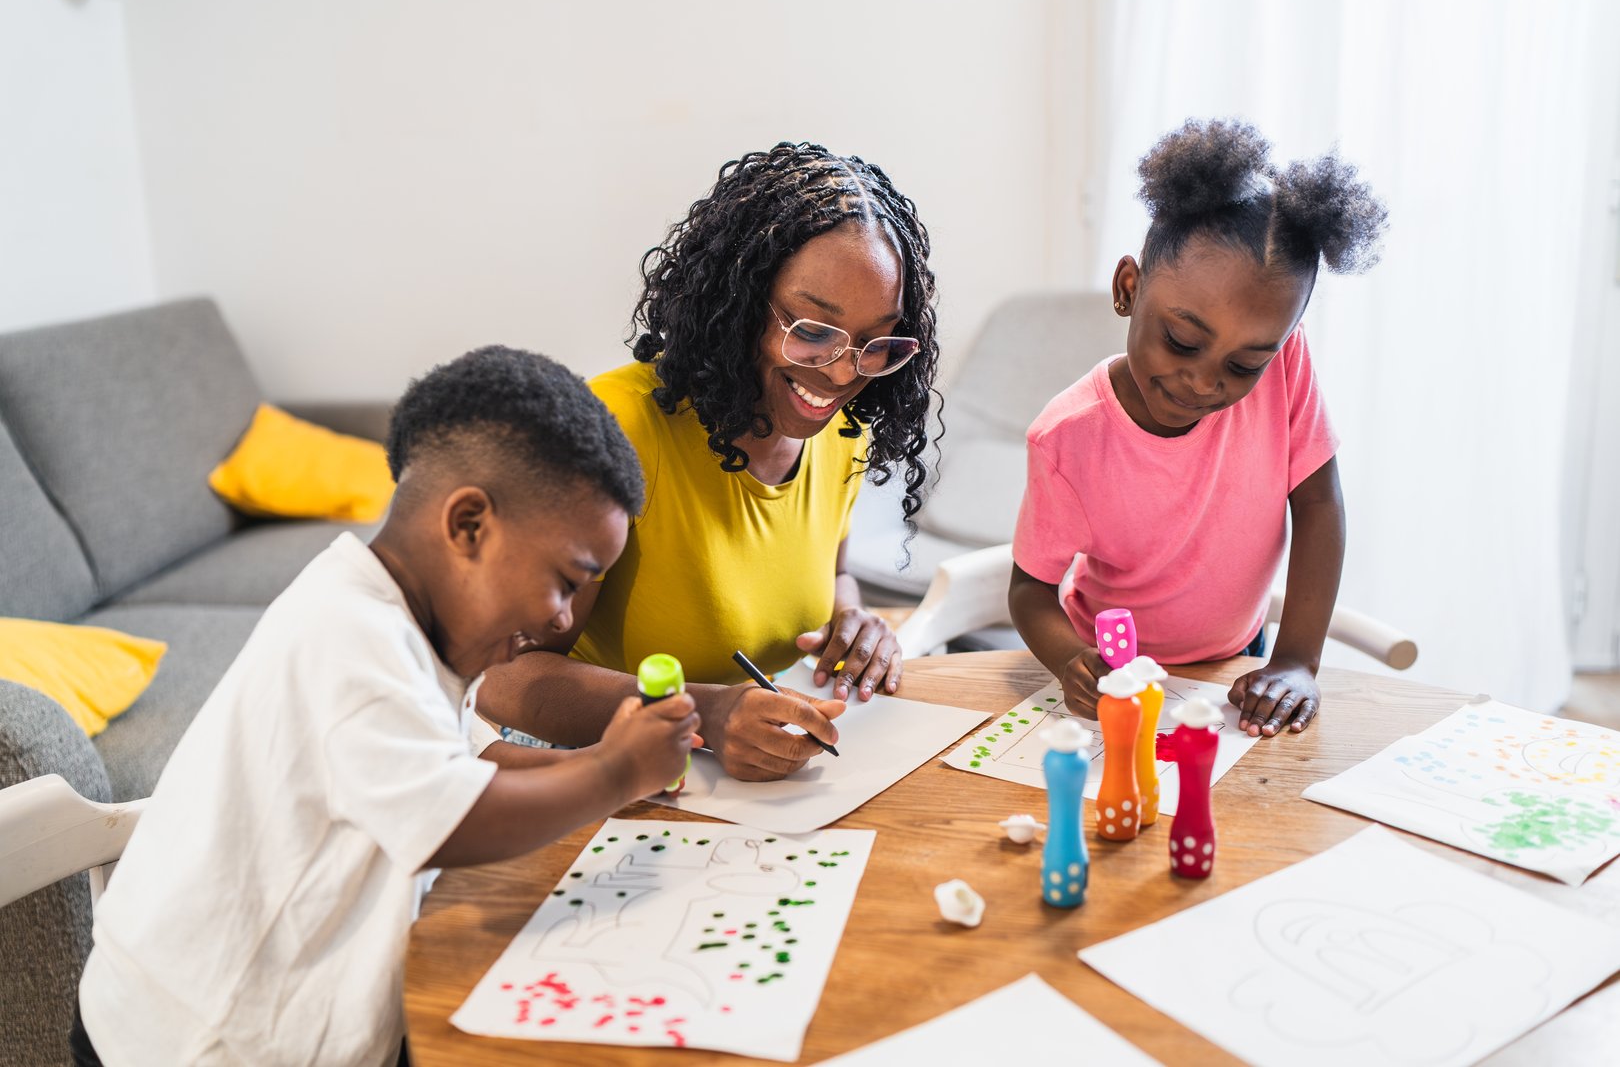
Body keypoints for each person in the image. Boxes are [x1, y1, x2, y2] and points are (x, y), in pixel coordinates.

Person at [74, 347, 699, 1066]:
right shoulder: (349, 637)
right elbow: (453, 821)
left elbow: (472, 759)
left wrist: (600, 763)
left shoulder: (407, 622)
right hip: (199, 1039)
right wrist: (616, 773)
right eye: (567, 580)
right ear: (468, 525)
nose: (564, 621)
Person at [477, 142, 941, 781]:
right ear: (741, 304)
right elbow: (505, 679)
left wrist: (854, 622)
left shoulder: (841, 432)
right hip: (591, 773)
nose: (841, 373)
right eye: (811, 330)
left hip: (747, 781)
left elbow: (831, 576)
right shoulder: (620, 429)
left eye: (875, 343)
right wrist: (705, 714)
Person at [1008, 118, 1388, 738]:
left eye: (1243, 365)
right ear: (1129, 289)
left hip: (1239, 660)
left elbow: (1319, 505)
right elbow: (1029, 591)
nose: (1205, 383)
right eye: (1182, 341)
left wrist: (1295, 659)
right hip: (1119, 672)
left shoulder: (1285, 366)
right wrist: (1071, 660)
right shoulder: (1067, 438)